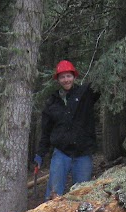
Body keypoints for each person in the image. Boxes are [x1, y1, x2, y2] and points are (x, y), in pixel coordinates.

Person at [34, 60, 100, 199]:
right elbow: (46, 132)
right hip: (61, 153)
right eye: (62, 77)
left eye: (68, 76)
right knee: (53, 195)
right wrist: (40, 154)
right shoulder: (52, 102)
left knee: (82, 195)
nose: (66, 80)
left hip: (83, 153)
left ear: (74, 76)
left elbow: (101, 83)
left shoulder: (85, 94)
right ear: (58, 79)